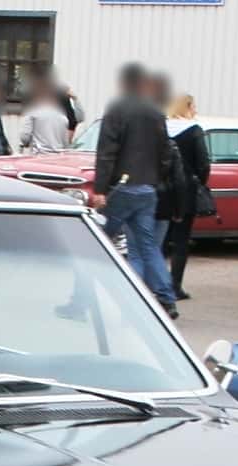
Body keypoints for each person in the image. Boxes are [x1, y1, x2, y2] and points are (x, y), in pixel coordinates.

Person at [93, 63, 178, 318]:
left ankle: (82, 298)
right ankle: (166, 297)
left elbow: (107, 151)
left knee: (95, 240)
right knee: (148, 244)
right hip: (147, 189)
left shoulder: (116, 110)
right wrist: (156, 179)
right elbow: (166, 152)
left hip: (122, 187)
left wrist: (100, 189)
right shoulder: (155, 112)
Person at [162, 91, 210, 301]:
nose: (196, 110)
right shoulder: (194, 131)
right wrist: (199, 181)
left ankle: (158, 281)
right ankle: (175, 285)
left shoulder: (161, 128)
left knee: (161, 239)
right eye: (194, 106)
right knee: (182, 241)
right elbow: (204, 164)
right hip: (187, 189)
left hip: (163, 188)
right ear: (187, 107)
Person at [19, 78, 71, 153]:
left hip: (39, 156)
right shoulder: (63, 117)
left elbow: (25, 137)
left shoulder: (32, 113)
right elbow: (65, 144)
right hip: (57, 158)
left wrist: (26, 143)